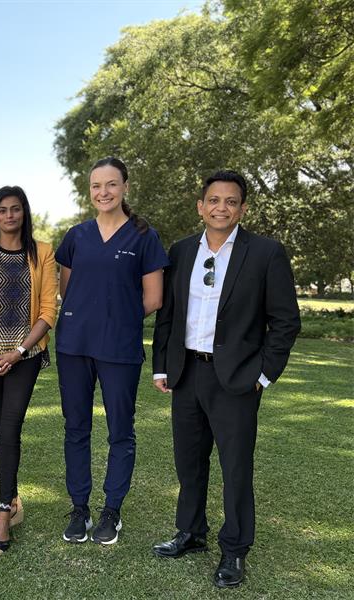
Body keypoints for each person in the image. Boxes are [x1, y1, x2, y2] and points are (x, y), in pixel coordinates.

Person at [151, 170, 300, 588]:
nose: (221, 207)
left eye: (230, 201)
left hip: (236, 379)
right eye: (213, 200)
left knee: (236, 468)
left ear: (243, 208)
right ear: (200, 206)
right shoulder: (180, 252)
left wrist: (264, 375)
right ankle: (190, 532)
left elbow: (285, 321)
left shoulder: (266, 253)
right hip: (186, 374)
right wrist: (162, 365)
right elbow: (168, 314)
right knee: (188, 463)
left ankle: (234, 549)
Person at [56, 156, 169, 545]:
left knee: (120, 431)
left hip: (118, 347)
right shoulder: (76, 236)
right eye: (96, 186)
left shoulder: (144, 237)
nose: (103, 192)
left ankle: (112, 511)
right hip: (74, 346)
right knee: (76, 428)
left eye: (111, 185)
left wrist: (113, 317)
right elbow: (65, 290)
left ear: (125, 188)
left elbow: (153, 298)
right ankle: (80, 508)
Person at [0, 186, 57, 556]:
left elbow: (48, 310)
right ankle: (13, 500)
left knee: (10, 426)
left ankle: (4, 512)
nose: (9, 216)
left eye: (15, 209)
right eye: (2, 210)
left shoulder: (43, 253)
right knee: (3, 429)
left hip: (25, 355)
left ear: (24, 213)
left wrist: (18, 352)